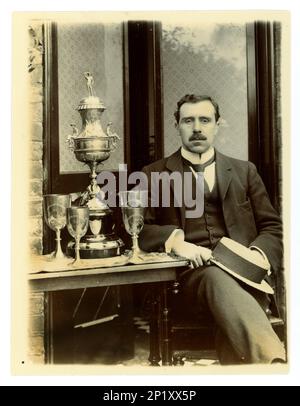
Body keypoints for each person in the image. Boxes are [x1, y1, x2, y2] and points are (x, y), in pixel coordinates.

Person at [139, 94, 286, 364]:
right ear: (177, 126)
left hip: (246, 278)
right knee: (215, 277)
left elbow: (272, 226)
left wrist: (257, 256)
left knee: (233, 317)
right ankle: (274, 365)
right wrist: (175, 241)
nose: (197, 128)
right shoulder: (154, 173)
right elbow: (138, 231)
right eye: (188, 121)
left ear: (217, 125)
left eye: (205, 120)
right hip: (190, 280)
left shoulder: (244, 171)